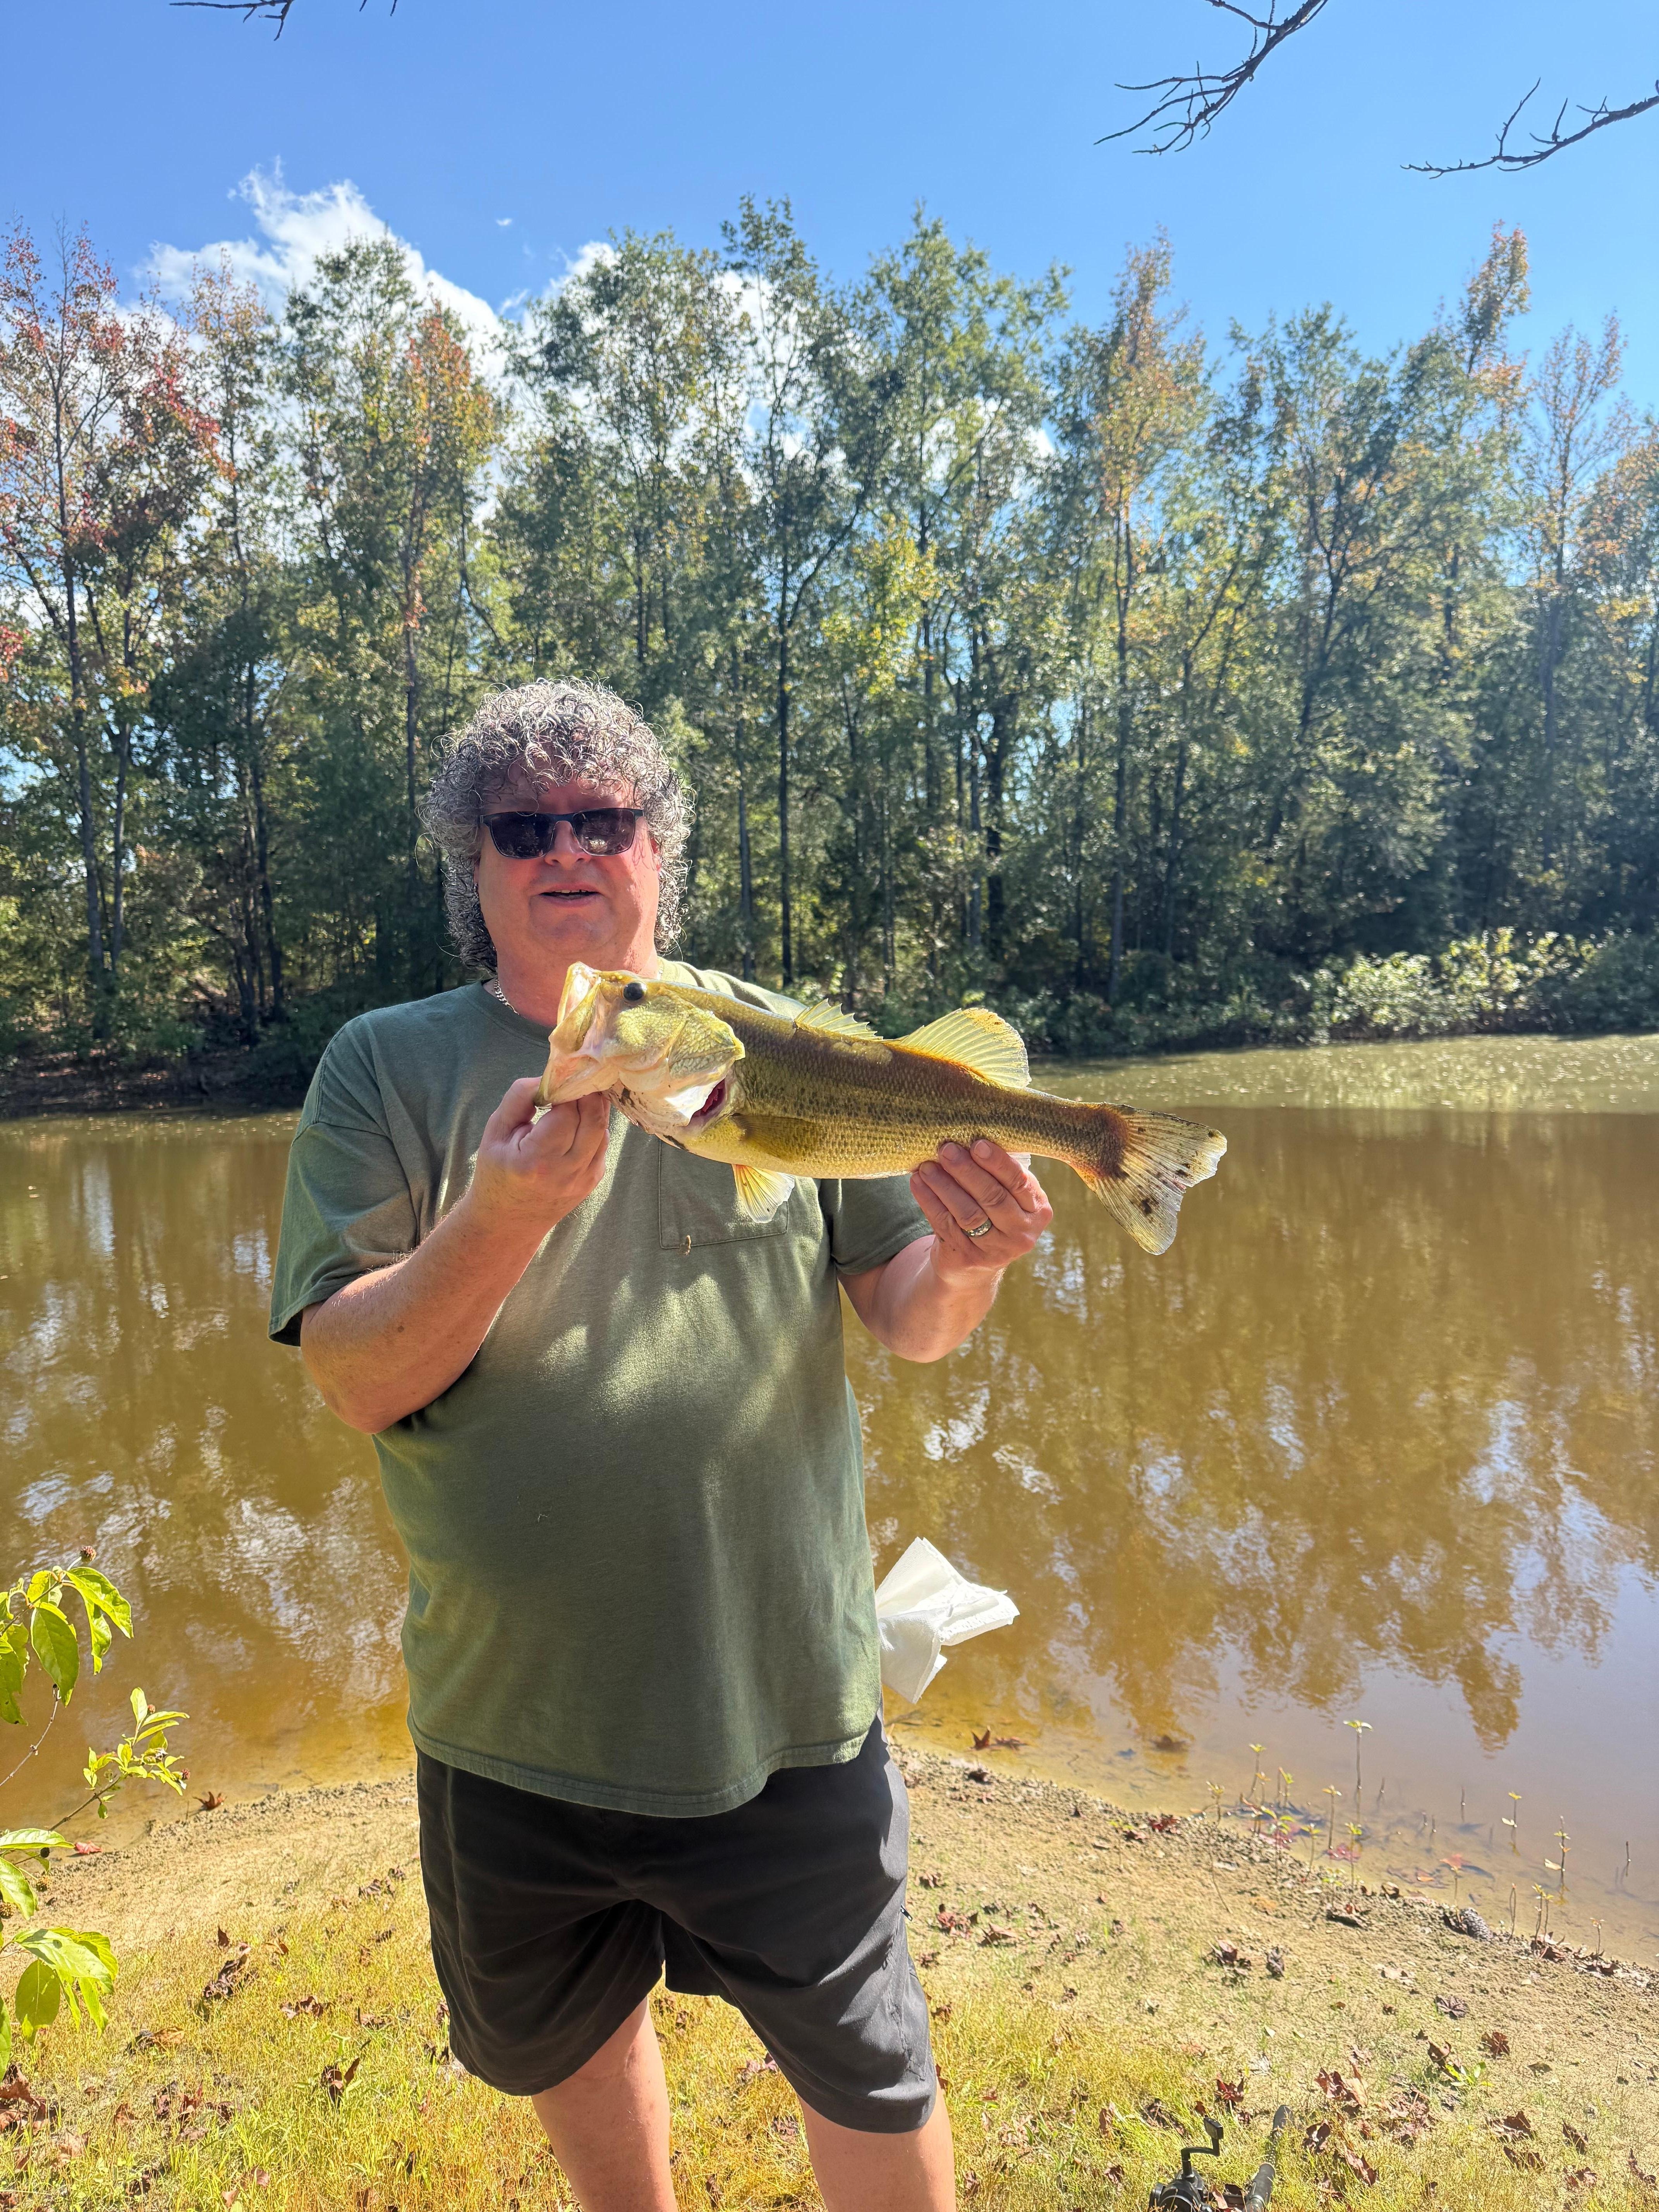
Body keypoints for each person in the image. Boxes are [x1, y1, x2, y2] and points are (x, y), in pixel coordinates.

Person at [270, 678, 1053, 2212]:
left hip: (780, 1702)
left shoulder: (796, 1042)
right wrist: (505, 1214)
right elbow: (355, 1379)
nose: (567, 849)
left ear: (656, 849)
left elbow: (911, 1317)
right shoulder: (381, 1066)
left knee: (870, 2063)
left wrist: (968, 1258)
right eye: (524, 827)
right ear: (476, 865)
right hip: (515, 1719)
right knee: (569, 2037)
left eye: (603, 820)